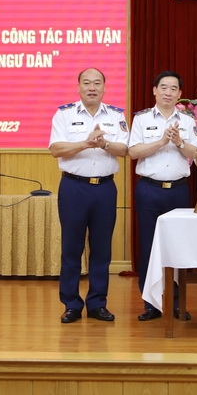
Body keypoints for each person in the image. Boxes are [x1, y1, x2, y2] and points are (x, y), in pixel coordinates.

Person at [49, 68, 129, 324]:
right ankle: (71, 304)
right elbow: (56, 149)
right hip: (74, 189)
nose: (92, 87)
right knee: (71, 249)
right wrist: (87, 142)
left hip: (105, 189)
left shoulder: (116, 115)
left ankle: (97, 303)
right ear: (79, 86)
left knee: (102, 250)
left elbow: (124, 149)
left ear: (104, 87)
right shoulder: (64, 114)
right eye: (87, 83)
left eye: (97, 83)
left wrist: (104, 143)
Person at [128, 71, 197, 321]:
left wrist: (179, 142)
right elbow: (133, 151)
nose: (168, 92)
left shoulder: (188, 122)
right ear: (154, 91)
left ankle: (177, 303)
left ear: (180, 94)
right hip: (149, 190)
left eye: (173, 88)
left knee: (178, 247)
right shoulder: (142, 119)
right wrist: (161, 142)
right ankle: (151, 303)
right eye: (164, 87)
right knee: (149, 246)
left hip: (178, 191)